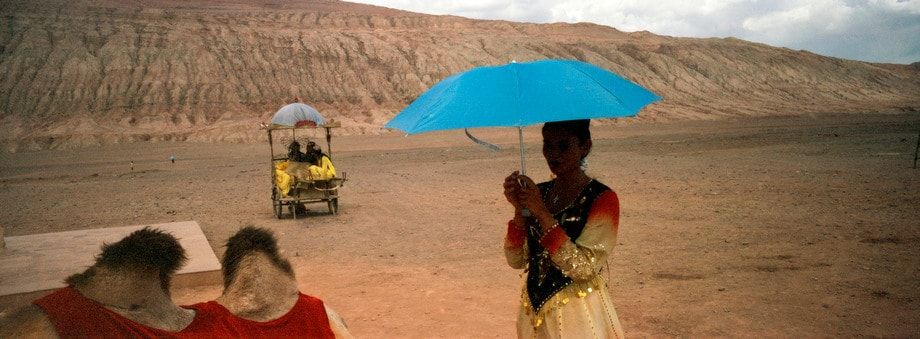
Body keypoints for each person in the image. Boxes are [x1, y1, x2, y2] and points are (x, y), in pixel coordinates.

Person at [502, 119, 625, 338]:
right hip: (534, 311)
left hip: (577, 314)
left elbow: (583, 269)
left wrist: (541, 213)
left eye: (563, 145)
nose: (553, 154)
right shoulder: (539, 193)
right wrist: (519, 211)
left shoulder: (602, 199)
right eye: (547, 145)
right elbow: (516, 260)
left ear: (585, 146)